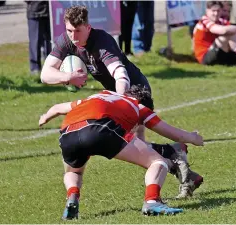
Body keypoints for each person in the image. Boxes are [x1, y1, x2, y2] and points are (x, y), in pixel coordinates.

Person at [41, 5, 203, 198]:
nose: (73, 36)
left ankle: (175, 156)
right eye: (69, 31)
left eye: (78, 31)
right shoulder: (66, 41)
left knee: (129, 146)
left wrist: (121, 99)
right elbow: (45, 74)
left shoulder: (101, 41)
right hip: (112, 98)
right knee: (133, 147)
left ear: (88, 27)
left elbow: (121, 74)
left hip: (134, 93)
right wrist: (67, 77)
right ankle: (183, 168)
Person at [39, 85, 204, 220]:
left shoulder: (100, 95)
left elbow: (58, 108)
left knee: (74, 172)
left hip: (68, 133)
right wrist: (193, 138)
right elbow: (172, 133)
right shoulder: (140, 107)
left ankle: (72, 197)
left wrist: (45, 117)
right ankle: (152, 201)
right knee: (158, 162)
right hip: (100, 128)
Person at [193, 1, 236, 69]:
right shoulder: (204, 20)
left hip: (219, 52)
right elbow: (223, 30)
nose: (216, 14)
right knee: (228, 33)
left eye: (218, 11)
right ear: (207, 11)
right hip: (205, 56)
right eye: (213, 11)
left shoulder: (221, 21)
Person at [25, 1, 51, 75]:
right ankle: (35, 68)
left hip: (50, 11)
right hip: (35, 10)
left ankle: (50, 66)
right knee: (35, 42)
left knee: (50, 42)